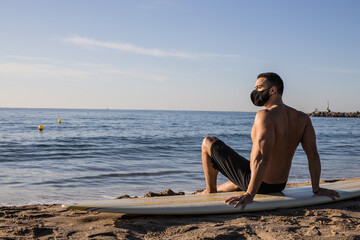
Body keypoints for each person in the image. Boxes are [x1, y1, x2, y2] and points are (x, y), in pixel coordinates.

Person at [199, 72, 339, 209]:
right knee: (242, 176)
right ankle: (218, 189)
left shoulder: (265, 115)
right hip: (280, 184)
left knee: (208, 141)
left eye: (259, 88)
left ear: (273, 90)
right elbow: (313, 156)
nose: (255, 91)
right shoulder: (303, 118)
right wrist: (316, 190)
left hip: (260, 185)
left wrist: (249, 194)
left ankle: (210, 191)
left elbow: (261, 157)